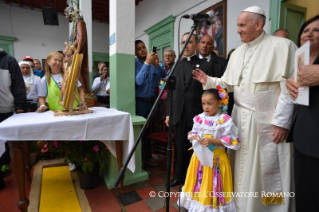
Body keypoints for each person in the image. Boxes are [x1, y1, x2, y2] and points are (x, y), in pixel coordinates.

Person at [192, 6, 297, 212]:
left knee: (262, 169)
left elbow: (289, 89)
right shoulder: (238, 52)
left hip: (266, 120)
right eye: (238, 25)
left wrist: (281, 122)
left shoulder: (283, 46)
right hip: (239, 117)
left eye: (242, 25)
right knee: (239, 166)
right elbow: (228, 84)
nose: (238, 30)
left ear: (258, 24)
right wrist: (210, 80)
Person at [178, 87, 240, 211]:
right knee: (201, 184)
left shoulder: (225, 121)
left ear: (219, 103)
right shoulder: (200, 118)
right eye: (203, 103)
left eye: (209, 103)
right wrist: (194, 136)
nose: (206, 107)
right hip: (200, 159)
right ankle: (200, 204)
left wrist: (213, 141)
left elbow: (233, 141)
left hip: (216, 160)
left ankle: (213, 206)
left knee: (213, 186)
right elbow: (193, 132)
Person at [165, 33, 213, 187]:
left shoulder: (205, 66)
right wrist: (168, 114)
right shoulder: (175, 66)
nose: (186, 46)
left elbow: (210, 92)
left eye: (189, 42)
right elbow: (171, 93)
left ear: (197, 45)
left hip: (197, 116)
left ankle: (196, 180)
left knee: (196, 149)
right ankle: (179, 177)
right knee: (180, 148)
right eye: (183, 42)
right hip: (178, 115)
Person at [285, 14, 319, 212]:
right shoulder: (300, 60)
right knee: (304, 198)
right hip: (302, 138)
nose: (310, 33)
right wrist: (291, 85)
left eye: (316, 30)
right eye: (306, 30)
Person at [135, 40, 167, 166]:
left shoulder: (154, 64)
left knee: (149, 131)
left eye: (143, 47)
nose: (142, 50)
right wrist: (147, 63)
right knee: (141, 132)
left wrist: (156, 65)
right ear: (135, 52)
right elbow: (139, 81)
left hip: (152, 102)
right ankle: (141, 159)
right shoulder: (135, 64)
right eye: (139, 48)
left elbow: (164, 75)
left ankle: (148, 157)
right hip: (140, 103)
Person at [0, 48, 26, 190]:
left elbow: (18, 85)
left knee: (4, 141)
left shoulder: (8, 60)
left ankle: (4, 162)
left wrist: (20, 105)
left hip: (4, 108)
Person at [63, 6, 90, 94]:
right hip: (74, 51)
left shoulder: (79, 22)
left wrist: (72, 48)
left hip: (77, 52)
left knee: (78, 72)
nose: (66, 16)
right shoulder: (75, 23)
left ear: (70, 13)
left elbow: (81, 38)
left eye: (66, 14)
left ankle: (83, 92)